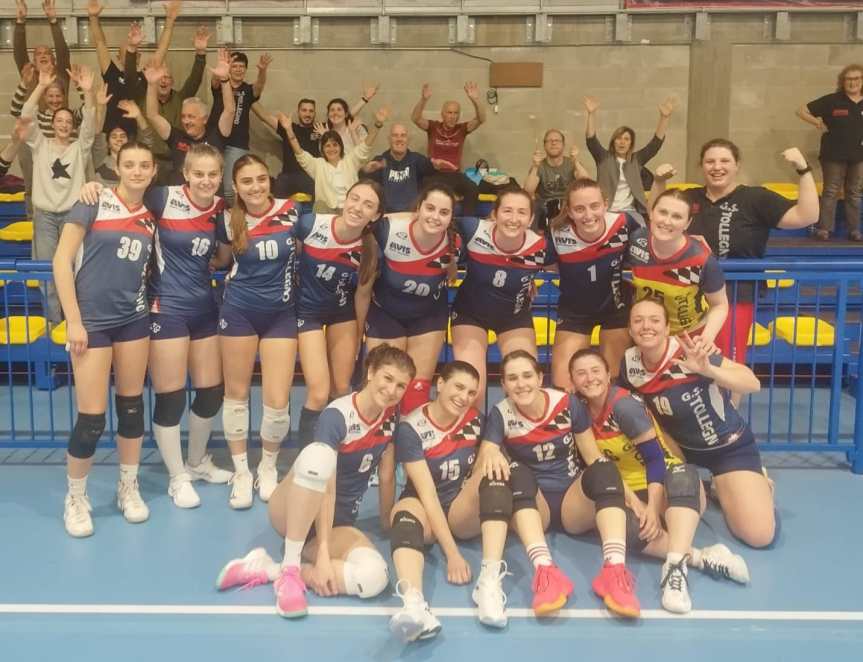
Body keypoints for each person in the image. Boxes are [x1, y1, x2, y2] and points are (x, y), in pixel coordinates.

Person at [216, 345, 415, 619]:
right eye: (388, 378)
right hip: (294, 507)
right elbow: (327, 489)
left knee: (375, 578)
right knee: (319, 457)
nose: (392, 390)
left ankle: (268, 569)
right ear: (371, 373)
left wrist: (385, 523)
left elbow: (387, 473)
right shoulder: (337, 415)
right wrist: (323, 555)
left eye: (401, 385)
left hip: (336, 522)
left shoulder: (390, 417)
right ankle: (289, 573)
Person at [570, 348, 750, 613]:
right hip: (630, 489)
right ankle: (702, 557)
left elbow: (655, 460)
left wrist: (652, 508)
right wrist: (635, 504)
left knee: (682, 475)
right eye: (581, 374)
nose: (589, 379)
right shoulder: (580, 411)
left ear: (608, 375)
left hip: (668, 486)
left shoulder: (624, 406)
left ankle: (675, 573)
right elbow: (602, 466)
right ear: (572, 381)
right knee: (625, 529)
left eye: (595, 371)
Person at [479, 350, 642, 619]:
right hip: (534, 505)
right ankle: (545, 572)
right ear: (504, 384)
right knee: (515, 470)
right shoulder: (501, 413)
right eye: (513, 378)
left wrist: (631, 497)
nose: (521, 384)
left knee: (603, 467)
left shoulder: (566, 403)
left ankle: (614, 571)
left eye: (527, 376)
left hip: (572, 502)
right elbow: (487, 452)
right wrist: (492, 453)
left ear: (540, 378)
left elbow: (592, 455)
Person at [52, 140, 157, 538]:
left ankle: (127, 487)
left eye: (144, 165)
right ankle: (76, 497)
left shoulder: (152, 215)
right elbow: (61, 260)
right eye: (129, 164)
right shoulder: (93, 201)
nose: (137, 171)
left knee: (131, 409)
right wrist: (74, 321)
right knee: (92, 419)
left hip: (133, 321)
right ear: (117, 166)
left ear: (153, 171)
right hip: (91, 324)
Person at [619, 299, 777, 551]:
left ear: (667, 327)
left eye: (655, 320)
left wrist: (709, 370)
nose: (646, 326)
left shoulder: (689, 350)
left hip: (727, 447)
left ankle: (750, 484)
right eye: (638, 321)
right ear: (630, 329)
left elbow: (752, 383)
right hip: (679, 450)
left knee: (758, 536)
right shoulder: (630, 364)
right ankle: (716, 488)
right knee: (671, 518)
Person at [212, 155, 301, 508]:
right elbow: (222, 260)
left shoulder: (293, 211)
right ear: (235, 186)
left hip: (281, 314)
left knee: (277, 401)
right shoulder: (227, 220)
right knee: (236, 395)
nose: (255, 187)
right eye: (247, 181)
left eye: (261, 179)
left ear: (270, 180)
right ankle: (241, 472)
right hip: (239, 312)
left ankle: (267, 466)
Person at [680, 141, 818, 363]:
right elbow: (656, 220)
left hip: (736, 294)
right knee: (685, 360)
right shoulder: (688, 197)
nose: (717, 167)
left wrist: (804, 169)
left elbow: (807, 216)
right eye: (710, 161)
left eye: (725, 161)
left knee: (725, 362)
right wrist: (658, 182)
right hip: (688, 295)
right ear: (701, 166)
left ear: (737, 165)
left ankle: (727, 389)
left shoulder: (756, 198)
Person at [387, 361, 483, 641]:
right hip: (425, 507)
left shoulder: (476, 420)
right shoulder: (411, 428)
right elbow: (428, 495)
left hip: (461, 509)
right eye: (458, 387)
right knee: (403, 516)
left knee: (494, 470)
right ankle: (413, 604)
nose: (464, 397)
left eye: (471, 392)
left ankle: (490, 580)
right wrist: (452, 555)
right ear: (440, 384)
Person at [294, 180, 384, 446]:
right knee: (319, 393)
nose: (358, 207)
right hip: (307, 312)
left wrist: (357, 337)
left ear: (375, 215)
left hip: (341, 313)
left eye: (368, 205)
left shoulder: (369, 250)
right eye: (354, 198)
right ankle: (307, 455)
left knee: (342, 388)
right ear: (345, 199)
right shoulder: (310, 225)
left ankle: (336, 448)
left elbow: (362, 296)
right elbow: (285, 258)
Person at [358, 184, 458, 415]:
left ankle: (408, 438)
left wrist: (528, 278)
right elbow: (364, 222)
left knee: (415, 394)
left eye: (444, 212)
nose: (435, 217)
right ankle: (378, 438)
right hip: (385, 314)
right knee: (382, 391)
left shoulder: (456, 240)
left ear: (452, 217)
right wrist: (356, 334)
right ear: (418, 208)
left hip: (428, 316)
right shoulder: (388, 230)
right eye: (429, 208)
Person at [451, 186, 545, 401]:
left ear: (531, 219)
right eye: (507, 211)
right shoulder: (473, 229)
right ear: (494, 214)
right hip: (470, 315)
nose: (514, 219)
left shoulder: (541, 247)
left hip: (514, 317)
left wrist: (527, 278)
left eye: (522, 212)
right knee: (471, 390)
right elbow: (434, 219)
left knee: (526, 387)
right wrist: (449, 264)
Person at [546, 178, 640, 389]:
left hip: (615, 309)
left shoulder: (623, 224)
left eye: (594, 206)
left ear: (605, 205)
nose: (588, 215)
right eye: (579, 209)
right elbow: (544, 265)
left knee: (614, 385)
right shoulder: (557, 233)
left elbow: (655, 244)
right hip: (574, 313)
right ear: (569, 211)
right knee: (564, 386)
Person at [23, 66, 99, 324]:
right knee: (48, 271)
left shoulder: (80, 148)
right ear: (52, 124)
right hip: (44, 216)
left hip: (72, 215)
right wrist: (41, 86)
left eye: (68, 121)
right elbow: (26, 113)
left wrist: (88, 91)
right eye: (60, 121)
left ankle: (76, 322)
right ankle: (56, 325)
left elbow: (90, 122)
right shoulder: (39, 145)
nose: (65, 124)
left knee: (76, 269)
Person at [625, 187, 729, 345]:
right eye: (663, 212)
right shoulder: (635, 241)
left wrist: (707, 337)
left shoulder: (702, 260)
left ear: (688, 223)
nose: (667, 221)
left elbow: (720, 305)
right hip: (647, 334)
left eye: (677, 216)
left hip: (689, 337)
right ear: (651, 213)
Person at [125, 9, 211, 184]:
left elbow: (195, 78)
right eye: (160, 78)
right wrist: (132, 49)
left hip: (176, 161)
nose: (164, 81)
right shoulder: (142, 96)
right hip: (148, 161)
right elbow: (130, 76)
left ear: (172, 81)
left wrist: (201, 53)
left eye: (168, 78)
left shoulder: (181, 98)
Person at [143, 50, 235, 186]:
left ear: (204, 119)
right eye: (183, 116)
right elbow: (152, 115)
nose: (186, 121)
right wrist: (151, 85)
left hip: (209, 193)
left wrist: (225, 80)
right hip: (179, 195)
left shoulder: (217, 135)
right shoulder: (176, 136)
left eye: (191, 117)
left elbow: (230, 111)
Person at [797, 63, 863, 241]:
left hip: (859, 156)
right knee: (831, 191)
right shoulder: (832, 100)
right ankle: (824, 229)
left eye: (857, 78)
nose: (852, 82)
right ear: (843, 81)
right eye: (848, 79)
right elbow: (801, 111)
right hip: (833, 155)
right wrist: (817, 123)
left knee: (854, 193)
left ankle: (854, 230)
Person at [584, 95, 674, 222]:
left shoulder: (636, 159)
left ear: (631, 143)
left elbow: (655, 144)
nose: (622, 142)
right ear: (613, 142)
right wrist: (591, 114)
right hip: (606, 212)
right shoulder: (603, 157)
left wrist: (664, 118)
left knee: (642, 232)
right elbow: (591, 140)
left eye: (626, 139)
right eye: (619, 138)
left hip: (631, 213)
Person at [283, 108, 389, 213]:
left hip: (349, 210)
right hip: (326, 212)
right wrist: (288, 130)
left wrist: (378, 124)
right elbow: (299, 153)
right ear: (322, 149)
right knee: (319, 205)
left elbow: (365, 146)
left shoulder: (350, 160)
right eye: (327, 146)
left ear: (341, 147)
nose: (331, 149)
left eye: (335, 145)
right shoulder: (317, 164)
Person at [411, 82, 485, 216]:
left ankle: (467, 222)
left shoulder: (462, 129)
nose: (452, 116)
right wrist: (423, 100)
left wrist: (475, 100)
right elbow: (415, 118)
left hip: (454, 174)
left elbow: (481, 119)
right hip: (434, 174)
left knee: (473, 188)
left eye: (456, 113)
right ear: (442, 114)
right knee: (425, 190)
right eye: (449, 112)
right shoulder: (433, 127)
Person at [208, 50, 272, 205]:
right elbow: (215, 80)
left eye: (241, 66)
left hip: (237, 144)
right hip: (215, 140)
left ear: (245, 69)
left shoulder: (248, 90)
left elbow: (259, 85)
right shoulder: (221, 85)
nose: (238, 69)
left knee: (230, 189)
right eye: (234, 66)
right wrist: (221, 69)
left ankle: (233, 216)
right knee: (213, 184)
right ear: (229, 68)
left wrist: (262, 71)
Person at [253, 98, 320, 198]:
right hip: (288, 176)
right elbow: (264, 116)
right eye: (304, 110)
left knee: (313, 201)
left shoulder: (320, 129)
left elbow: (341, 121)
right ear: (298, 112)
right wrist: (247, 96)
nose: (307, 114)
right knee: (279, 198)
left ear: (314, 113)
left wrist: (325, 134)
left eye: (311, 111)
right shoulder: (288, 127)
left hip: (309, 177)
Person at [361, 123, 436, 213]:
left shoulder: (417, 160)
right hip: (387, 215)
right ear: (389, 139)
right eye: (395, 135)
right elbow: (364, 185)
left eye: (403, 135)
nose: (399, 139)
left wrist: (436, 166)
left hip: (412, 214)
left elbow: (432, 172)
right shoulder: (379, 161)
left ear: (408, 139)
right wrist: (365, 171)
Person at [524, 129, 590, 231]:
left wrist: (576, 162)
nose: (553, 143)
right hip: (545, 206)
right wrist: (535, 167)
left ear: (563, 145)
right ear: (544, 145)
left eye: (557, 140)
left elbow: (586, 183)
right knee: (534, 206)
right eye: (549, 141)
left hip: (568, 204)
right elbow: (528, 191)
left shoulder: (571, 163)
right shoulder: (539, 165)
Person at [92, 100, 152, 186]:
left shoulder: (136, 159)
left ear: (128, 141)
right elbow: (97, 134)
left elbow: (147, 139)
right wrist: (100, 108)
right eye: (114, 137)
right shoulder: (101, 160)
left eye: (123, 136)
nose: (119, 139)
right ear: (108, 144)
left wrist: (139, 116)